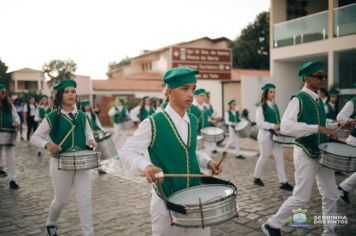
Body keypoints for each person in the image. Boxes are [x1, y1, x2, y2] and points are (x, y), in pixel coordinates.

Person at [120, 67, 222, 236]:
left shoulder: (193, 120)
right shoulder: (153, 122)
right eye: (184, 88)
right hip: (165, 203)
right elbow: (126, 151)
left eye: (193, 89)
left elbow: (190, 151)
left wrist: (207, 161)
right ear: (169, 91)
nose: (190, 94)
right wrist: (146, 166)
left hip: (195, 198)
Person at [262, 61, 339, 236]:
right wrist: (317, 128)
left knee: (331, 194)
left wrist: (338, 124)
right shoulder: (298, 98)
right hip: (305, 152)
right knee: (301, 197)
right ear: (306, 78)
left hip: (322, 152)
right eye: (318, 76)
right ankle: (272, 224)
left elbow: (321, 122)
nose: (322, 79)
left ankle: (329, 231)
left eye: (323, 76)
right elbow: (286, 126)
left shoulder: (318, 99)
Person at [30, 79, 97, 236]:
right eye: (66, 91)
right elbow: (35, 137)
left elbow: (88, 133)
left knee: (85, 201)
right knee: (61, 200)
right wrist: (48, 145)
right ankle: (51, 223)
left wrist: (91, 140)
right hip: (60, 162)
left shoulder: (82, 115)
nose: (70, 94)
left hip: (82, 162)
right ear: (60, 95)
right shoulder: (52, 116)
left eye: (73, 91)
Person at [253, 83, 293, 191]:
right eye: (270, 92)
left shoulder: (275, 106)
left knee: (280, 157)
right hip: (265, 136)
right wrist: (273, 126)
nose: (273, 94)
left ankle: (283, 182)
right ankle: (256, 177)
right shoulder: (261, 106)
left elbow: (278, 119)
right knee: (264, 157)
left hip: (276, 136)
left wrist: (281, 125)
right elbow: (259, 123)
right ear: (265, 93)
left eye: (274, 91)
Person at [336, 85, 356, 204]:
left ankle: (344, 187)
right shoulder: (353, 102)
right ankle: (343, 187)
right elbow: (340, 117)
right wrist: (353, 122)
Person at [0, 84, 20, 189]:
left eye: (3, 91)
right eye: (1, 91)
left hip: (9, 133)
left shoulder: (9, 105)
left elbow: (16, 116)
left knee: (11, 157)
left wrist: (17, 121)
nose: (2, 93)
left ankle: (12, 179)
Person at [81, 99, 107, 175]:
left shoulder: (93, 114)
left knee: (97, 151)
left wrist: (103, 130)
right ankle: (85, 168)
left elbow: (98, 124)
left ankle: (100, 168)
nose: (88, 107)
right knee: (88, 152)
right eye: (86, 105)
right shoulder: (81, 115)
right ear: (83, 106)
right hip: (86, 137)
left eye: (89, 105)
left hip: (95, 135)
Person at [189, 88, 216, 156]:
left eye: (204, 96)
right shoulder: (191, 107)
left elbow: (207, 119)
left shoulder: (205, 108)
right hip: (196, 133)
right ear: (196, 96)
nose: (203, 97)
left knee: (207, 153)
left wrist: (211, 122)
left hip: (206, 132)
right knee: (198, 153)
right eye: (201, 95)